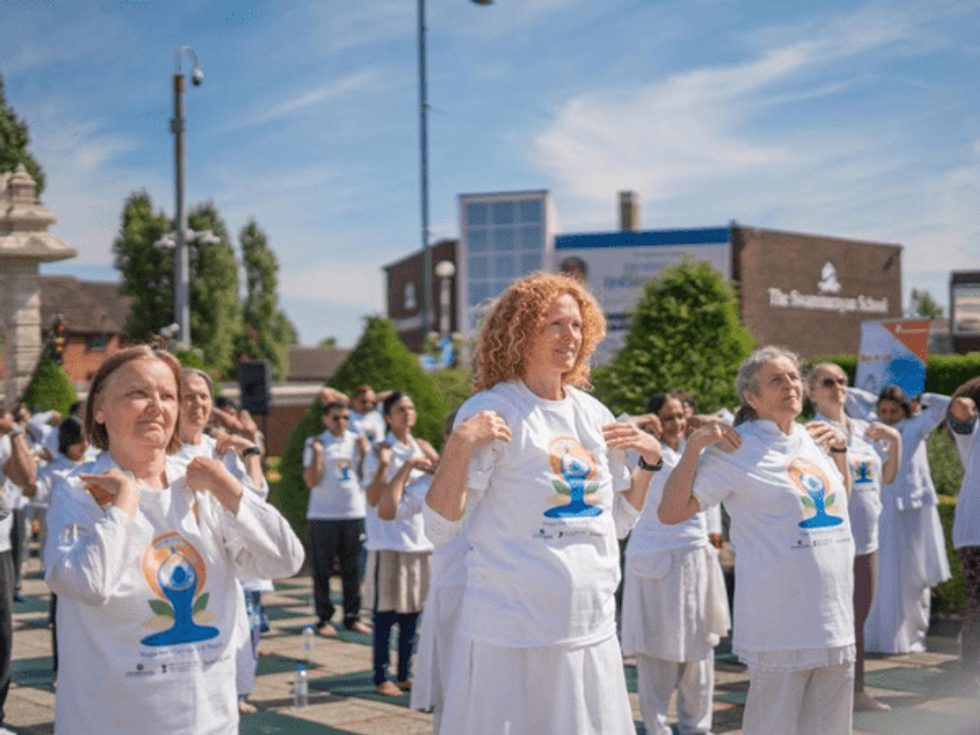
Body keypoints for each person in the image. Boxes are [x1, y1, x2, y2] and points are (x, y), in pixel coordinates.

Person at [425, 272, 661, 735]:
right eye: (554, 323)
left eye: (576, 325)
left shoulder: (595, 414)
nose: (569, 336)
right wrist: (456, 447)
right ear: (519, 331)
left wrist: (649, 463)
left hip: (589, 628)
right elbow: (440, 525)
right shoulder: (493, 410)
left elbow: (616, 523)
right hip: (512, 634)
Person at [44, 344, 304, 735]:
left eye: (167, 396)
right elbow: (88, 584)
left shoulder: (201, 483)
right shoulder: (78, 490)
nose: (156, 406)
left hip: (209, 722)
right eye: (138, 393)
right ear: (99, 409)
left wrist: (227, 487)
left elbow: (285, 560)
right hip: (111, 722)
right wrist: (125, 503)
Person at [660, 346, 855, 735]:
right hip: (780, 624)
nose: (790, 385)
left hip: (834, 616)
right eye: (776, 380)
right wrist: (695, 447)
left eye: (794, 377)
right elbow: (671, 511)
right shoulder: (736, 447)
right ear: (750, 397)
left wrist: (840, 453)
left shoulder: (812, 436)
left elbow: (840, 502)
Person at [621, 392, 729, 735]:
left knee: (700, 645)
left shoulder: (697, 450)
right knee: (657, 648)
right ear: (654, 420)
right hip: (655, 558)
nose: (677, 424)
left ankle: (696, 725)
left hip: (696, 557)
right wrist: (641, 423)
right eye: (668, 418)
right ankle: (655, 726)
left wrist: (698, 424)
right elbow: (611, 427)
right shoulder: (643, 449)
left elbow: (733, 422)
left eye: (681, 416)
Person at [172, 367, 272, 715]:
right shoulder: (158, 452)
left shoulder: (222, 450)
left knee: (222, 674)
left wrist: (249, 453)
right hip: (177, 576)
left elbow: (256, 500)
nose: (197, 403)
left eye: (203, 395)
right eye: (188, 396)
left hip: (225, 574)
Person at [806, 363, 901, 712]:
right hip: (831, 543)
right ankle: (821, 695)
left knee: (858, 617)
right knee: (828, 620)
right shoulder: (811, 431)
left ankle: (856, 691)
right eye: (828, 382)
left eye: (842, 381)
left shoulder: (864, 430)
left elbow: (887, 478)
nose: (838, 387)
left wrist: (896, 439)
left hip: (868, 539)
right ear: (812, 391)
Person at [848, 384, 952, 653]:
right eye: (883, 410)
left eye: (894, 410)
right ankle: (875, 637)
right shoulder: (872, 427)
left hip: (911, 511)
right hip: (882, 509)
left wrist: (922, 398)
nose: (888, 415)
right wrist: (876, 399)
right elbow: (847, 395)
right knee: (881, 573)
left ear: (903, 409)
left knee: (910, 573)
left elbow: (947, 405)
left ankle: (910, 637)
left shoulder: (918, 425)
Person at [362, 391, 436, 696]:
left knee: (412, 615)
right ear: (388, 417)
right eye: (400, 409)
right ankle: (382, 676)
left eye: (411, 407)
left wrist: (433, 461)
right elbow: (371, 497)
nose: (407, 413)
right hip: (387, 542)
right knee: (385, 615)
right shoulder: (381, 450)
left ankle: (405, 673)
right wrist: (386, 467)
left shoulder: (421, 447)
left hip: (418, 542)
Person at [302, 399, 371, 636]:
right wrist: (318, 455)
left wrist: (364, 451)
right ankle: (323, 619)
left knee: (353, 569)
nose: (341, 422)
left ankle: (352, 617)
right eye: (335, 417)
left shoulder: (357, 441)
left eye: (345, 417)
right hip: (323, 515)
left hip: (353, 512)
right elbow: (311, 480)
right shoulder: (315, 442)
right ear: (325, 419)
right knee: (322, 569)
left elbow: (366, 475)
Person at [947, 377, 980, 689]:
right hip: (975, 534)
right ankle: (970, 671)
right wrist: (967, 403)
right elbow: (959, 409)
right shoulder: (974, 431)